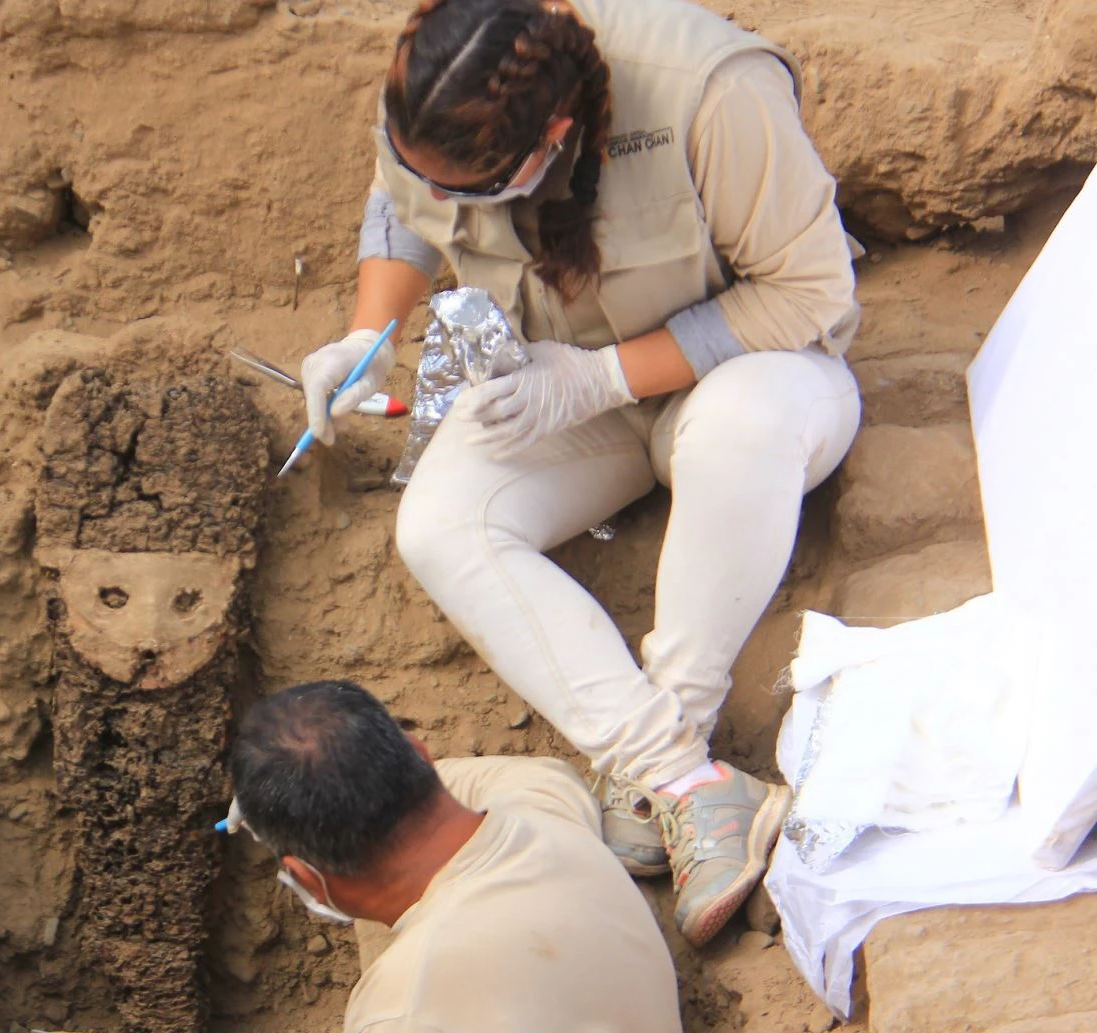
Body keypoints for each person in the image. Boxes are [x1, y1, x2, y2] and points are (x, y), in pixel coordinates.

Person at [299, 0, 861, 945]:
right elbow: (401, 201)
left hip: (754, 373)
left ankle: (673, 736)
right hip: (563, 386)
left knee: (737, 428)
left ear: (552, 139)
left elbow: (807, 293)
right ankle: (682, 780)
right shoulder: (442, 81)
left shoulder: (712, 92)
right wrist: (370, 330)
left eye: (483, 193)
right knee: (442, 524)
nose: (461, 214)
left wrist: (602, 377)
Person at [194, 680, 691, 1033]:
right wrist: (352, 773)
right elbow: (533, 773)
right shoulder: (546, 814)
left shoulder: (414, 1009)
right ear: (421, 755)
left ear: (307, 877)